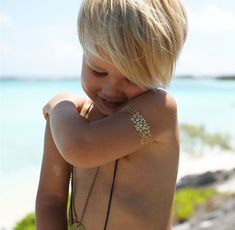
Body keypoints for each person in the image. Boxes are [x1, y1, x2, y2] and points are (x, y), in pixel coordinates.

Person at [36, 0, 187, 229]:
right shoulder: (69, 122)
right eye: (99, 71)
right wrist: (62, 111)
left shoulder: (160, 111)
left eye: (132, 77)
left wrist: (59, 104)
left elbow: (82, 149)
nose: (111, 90)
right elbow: (51, 200)